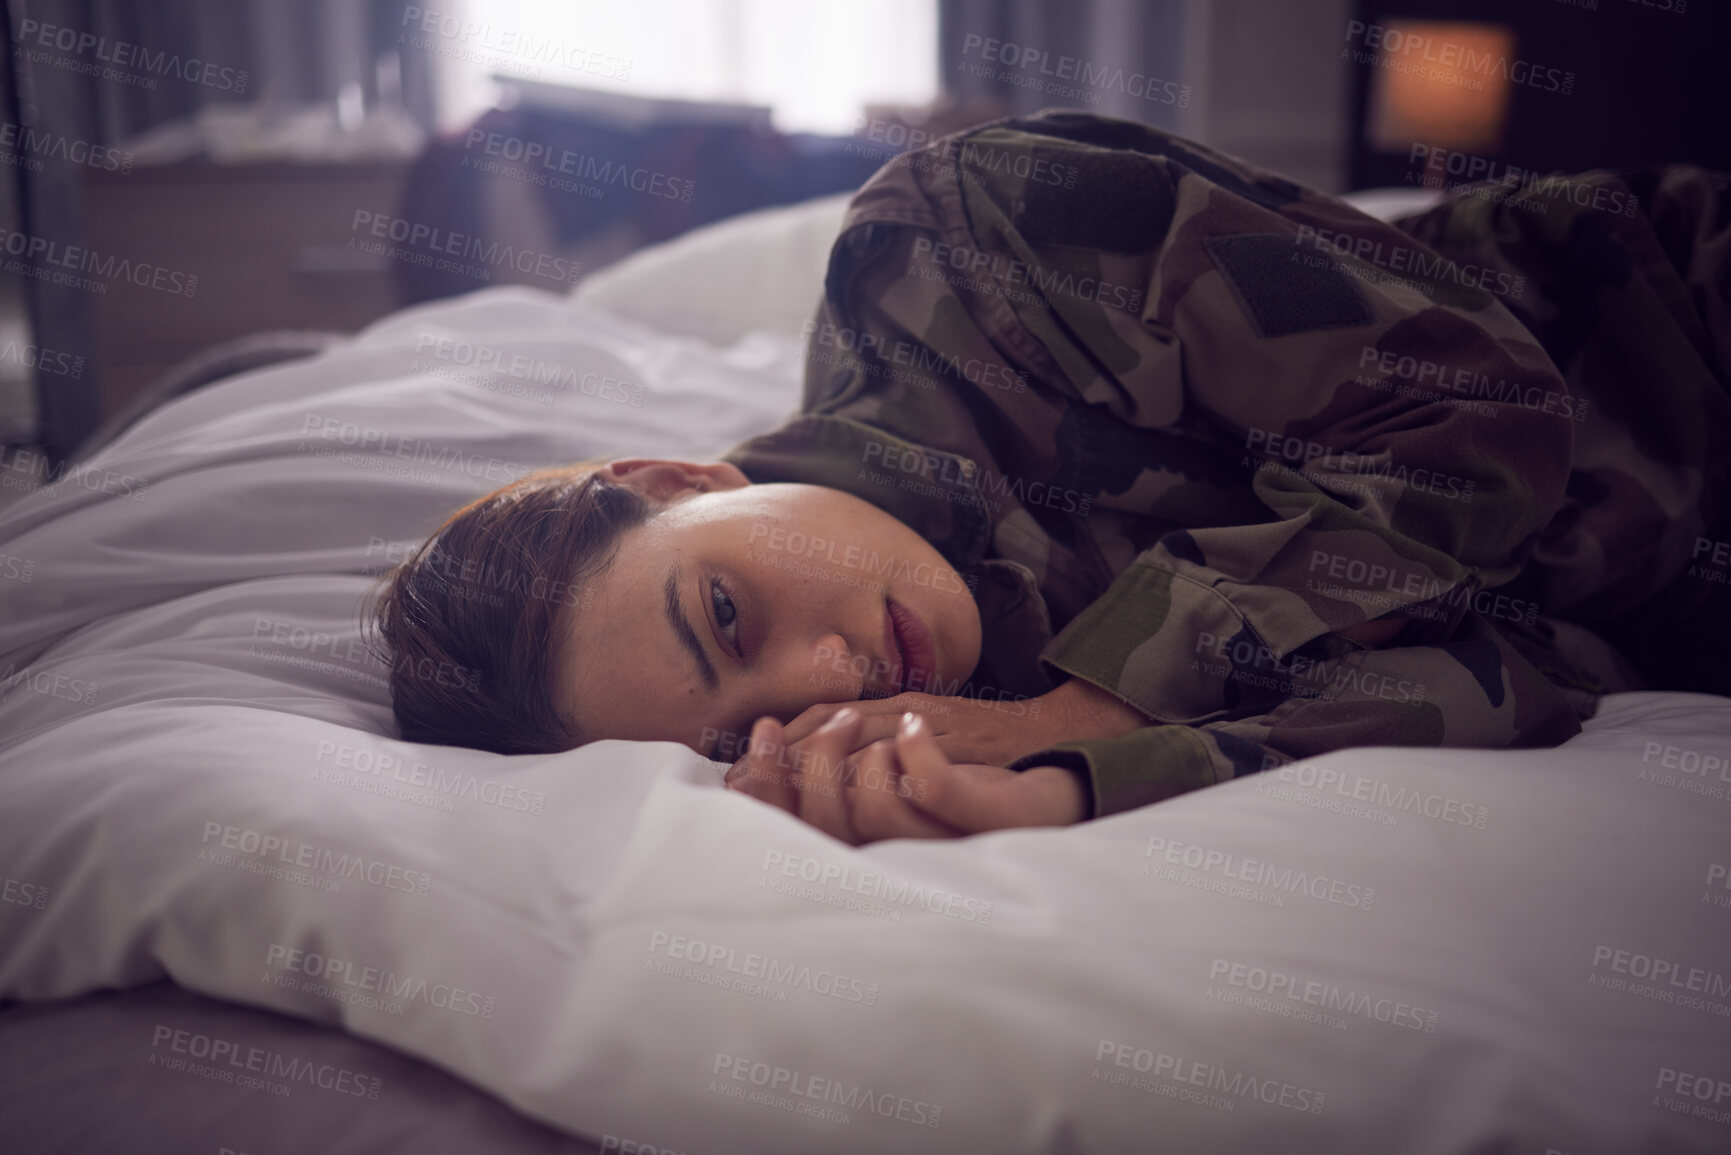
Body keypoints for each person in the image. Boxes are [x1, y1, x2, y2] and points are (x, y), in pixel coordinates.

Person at [372, 111, 1731, 846]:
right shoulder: (975, 701)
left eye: (728, 615)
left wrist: (1102, 696)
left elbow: (1479, 413)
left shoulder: (973, 242)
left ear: (676, 477)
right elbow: (1528, 666)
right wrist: (1071, 782)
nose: (836, 683)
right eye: (747, 737)